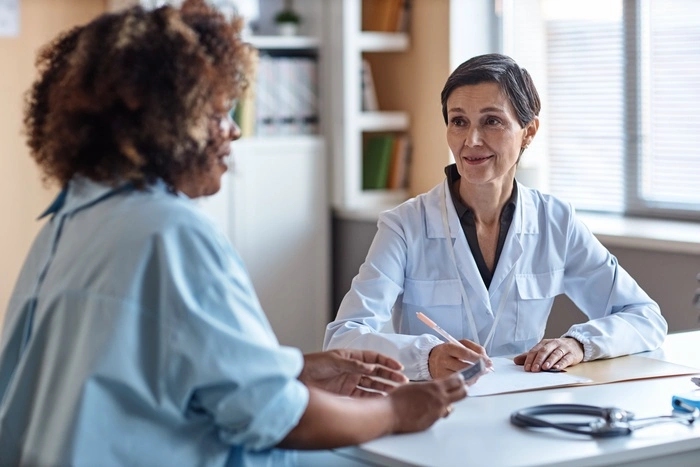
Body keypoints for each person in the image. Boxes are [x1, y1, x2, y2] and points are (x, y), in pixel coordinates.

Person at [0, 2, 470, 466]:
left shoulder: (68, 223)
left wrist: (294, 370)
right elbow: (276, 418)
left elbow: (156, 370)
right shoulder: (170, 232)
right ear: (165, 122)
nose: (233, 132)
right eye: (219, 112)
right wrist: (393, 411)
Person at [324, 53, 667, 381]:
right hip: (435, 408)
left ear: (528, 132)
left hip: (523, 410)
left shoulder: (555, 221)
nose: (471, 140)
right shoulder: (405, 225)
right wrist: (427, 356)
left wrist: (579, 344)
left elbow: (645, 317)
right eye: (459, 122)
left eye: (492, 121)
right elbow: (343, 338)